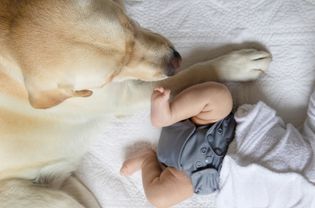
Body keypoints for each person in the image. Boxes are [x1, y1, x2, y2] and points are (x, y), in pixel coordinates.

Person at [120, 81, 236, 208]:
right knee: (220, 97)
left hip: (191, 177)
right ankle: (168, 115)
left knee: (159, 198)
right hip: (211, 127)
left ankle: (147, 160)